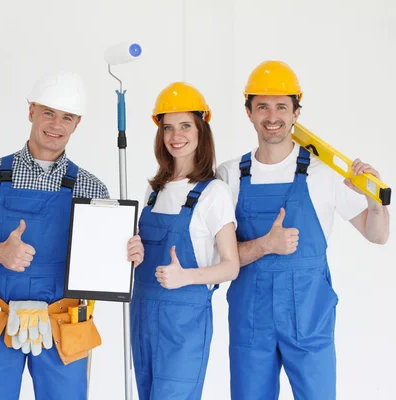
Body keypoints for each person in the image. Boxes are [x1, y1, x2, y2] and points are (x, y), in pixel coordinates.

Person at [0, 70, 144, 400]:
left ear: (77, 124)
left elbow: (103, 269)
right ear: (31, 112)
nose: (55, 124)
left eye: (66, 117)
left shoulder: (91, 188)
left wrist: (125, 255)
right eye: (48, 112)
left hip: (63, 323)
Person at [217, 60, 390, 400]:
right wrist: (265, 245)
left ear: (296, 112)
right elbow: (217, 258)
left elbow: (377, 234)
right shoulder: (230, 176)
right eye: (262, 106)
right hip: (252, 320)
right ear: (248, 112)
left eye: (282, 106)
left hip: (310, 316)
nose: (272, 116)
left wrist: (374, 198)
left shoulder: (324, 172)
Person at [130, 82, 239, 399]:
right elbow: (142, 257)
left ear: (201, 129)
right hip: (142, 314)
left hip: (184, 321)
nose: (176, 136)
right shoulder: (154, 191)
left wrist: (185, 277)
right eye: (168, 128)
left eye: (185, 126)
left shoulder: (214, 192)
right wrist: (134, 252)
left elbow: (231, 266)